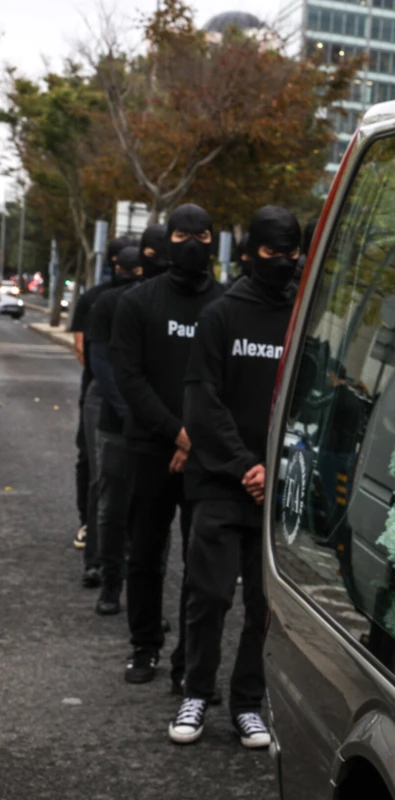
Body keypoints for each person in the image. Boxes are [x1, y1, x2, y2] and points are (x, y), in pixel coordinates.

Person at [169, 205, 300, 748]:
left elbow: (305, 398)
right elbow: (202, 403)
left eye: (293, 254)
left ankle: (248, 702)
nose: (284, 264)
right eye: (273, 254)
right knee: (210, 594)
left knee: (263, 608)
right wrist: (246, 466)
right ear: (250, 253)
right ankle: (196, 693)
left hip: (276, 490)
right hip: (222, 483)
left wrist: (277, 468)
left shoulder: (301, 316)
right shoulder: (222, 315)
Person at [112, 205, 225, 686]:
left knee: (201, 564)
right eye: (183, 234)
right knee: (145, 555)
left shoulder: (225, 305)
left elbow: (228, 382)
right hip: (149, 447)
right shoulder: (137, 303)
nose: (193, 243)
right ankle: (144, 645)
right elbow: (129, 379)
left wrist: (194, 436)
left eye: (203, 234)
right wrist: (175, 431)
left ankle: (190, 664)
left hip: (205, 454)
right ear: (168, 239)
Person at [89, 229, 169, 615]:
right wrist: (129, 411)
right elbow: (104, 364)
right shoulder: (111, 303)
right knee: (113, 509)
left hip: (158, 432)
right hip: (118, 424)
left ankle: (147, 602)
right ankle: (110, 584)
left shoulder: (175, 306)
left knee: (154, 521)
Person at [71, 235, 136, 585]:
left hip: (122, 401)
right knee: (95, 469)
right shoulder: (95, 300)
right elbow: (87, 351)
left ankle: (116, 549)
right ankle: (93, 540)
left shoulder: (140, 299)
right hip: (99, 397)